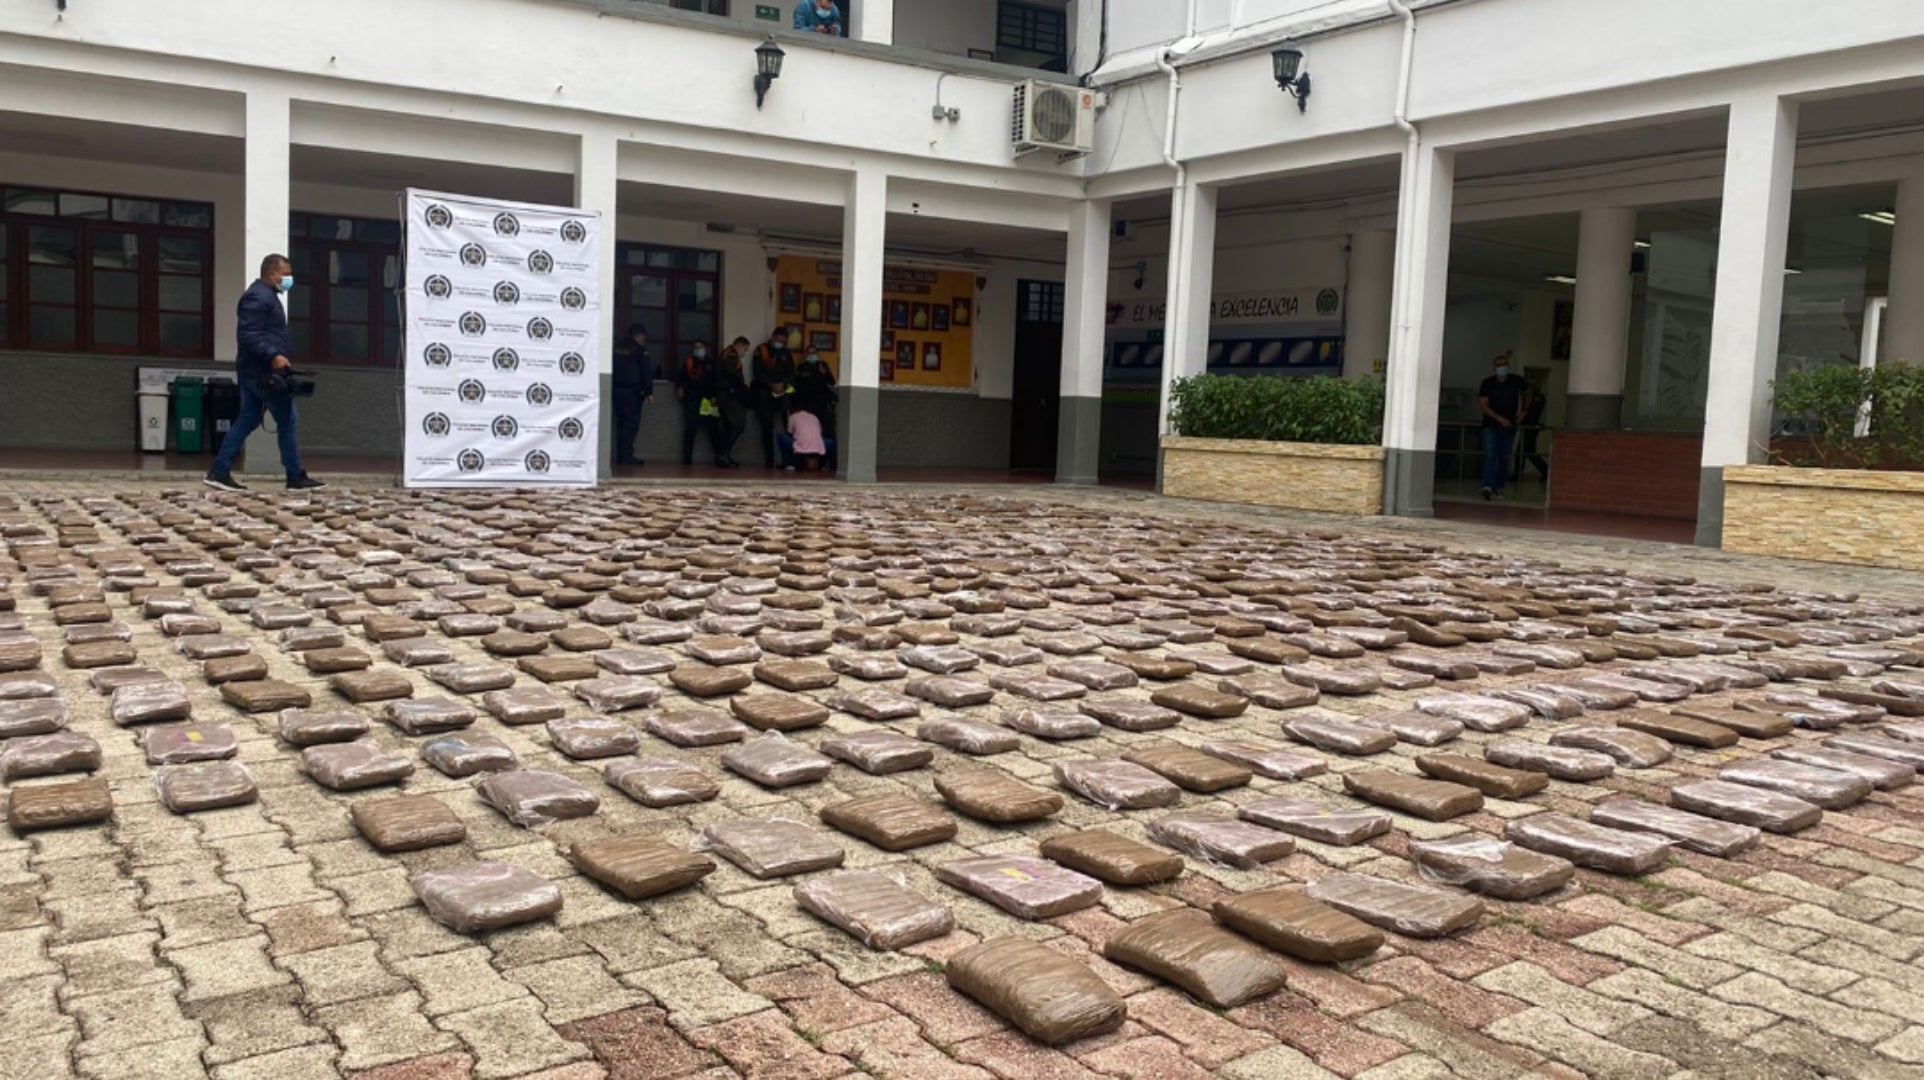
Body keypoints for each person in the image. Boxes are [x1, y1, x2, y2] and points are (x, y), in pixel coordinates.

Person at [206, 254, 323, 492]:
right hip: (263, 373)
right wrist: (274, 356)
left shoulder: (266, 296)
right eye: (286, 274)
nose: (289, 279)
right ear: (271, 274)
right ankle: (294, 476)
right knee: (288, 421)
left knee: (248, 418)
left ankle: (219, 470)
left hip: (256, 371)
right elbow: (248, 335)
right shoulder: (258, 297)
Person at [675, 339, 738, 468]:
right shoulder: (689, 362)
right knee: (690, 430)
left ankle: (719, 458)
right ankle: (687, 460)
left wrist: (716, 396)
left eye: (701, 347)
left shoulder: (712, 363)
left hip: (709, 401)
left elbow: (718, 380)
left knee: (714, 431)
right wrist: (680, 387)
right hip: (693, 400)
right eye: (696, 348)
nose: (699, 350)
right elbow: (680, 377)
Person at [1476, 352, 1529, 501]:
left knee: (1505, 457)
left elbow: (1528, 392)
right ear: (1494, 368)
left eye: (1504, 365)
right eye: (1499, 365)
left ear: (1508, 366)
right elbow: (1483, 405)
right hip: (1490, 425)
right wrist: (1500, 419)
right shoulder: (1487, 383)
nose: (1502, 368)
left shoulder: (1516, 381)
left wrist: (1523, 413)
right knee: (1490, 454)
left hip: (1510, 425)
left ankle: (1499, 487)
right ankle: (1487, 486)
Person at [750, 330, 797, 468]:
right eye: (778, 341)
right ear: (773, 338)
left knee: (787, 426)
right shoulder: (761, 350)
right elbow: (757, 373)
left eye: (783, 342)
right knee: (767, 427)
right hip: (765, 392)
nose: (780, 344)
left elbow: (791, 373)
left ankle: (789, 460)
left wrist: (783, 384)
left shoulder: (786, 353)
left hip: (782, 392)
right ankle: (769, 459)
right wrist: (771, 385)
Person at [611, 324, 654, 466]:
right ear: (639, 336)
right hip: (633, 393)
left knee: (621, 424)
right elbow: (645, 372)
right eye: (644, 337)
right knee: (630, 425)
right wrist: (649, 392)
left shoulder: (616, 348)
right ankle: (626, 456)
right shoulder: (639, 350)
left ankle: (622, 455)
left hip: (616, 391)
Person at [1514, 382, 1550, 484]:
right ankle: (1518, 474)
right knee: (1525, 452)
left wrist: (1517, 422)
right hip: (1532, 428)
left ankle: (1545, 471)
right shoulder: (1540, 398)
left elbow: (1526, 411)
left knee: (1526, 452)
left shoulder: (1532, 397)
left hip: (1529, 427)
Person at [786, 406, 827, 472]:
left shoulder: (793, 416)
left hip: (801, 450)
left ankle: (789, 464)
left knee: (781, 436)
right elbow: (820, 432)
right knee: (829, 442)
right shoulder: (814, 417)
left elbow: (789, 432)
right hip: (818, 449)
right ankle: (824, 465)